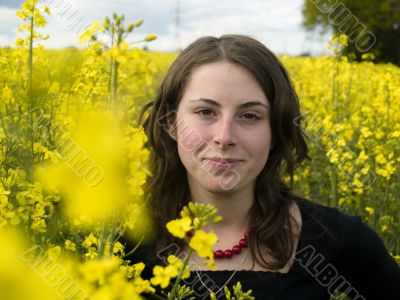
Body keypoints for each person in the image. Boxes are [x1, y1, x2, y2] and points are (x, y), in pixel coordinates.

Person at [129, 34, 400, 299]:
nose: (224, 137)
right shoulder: (123, 238)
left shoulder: (337, 237)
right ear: (170, 123)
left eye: (250, 116)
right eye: (205, 112)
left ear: (276, 131)